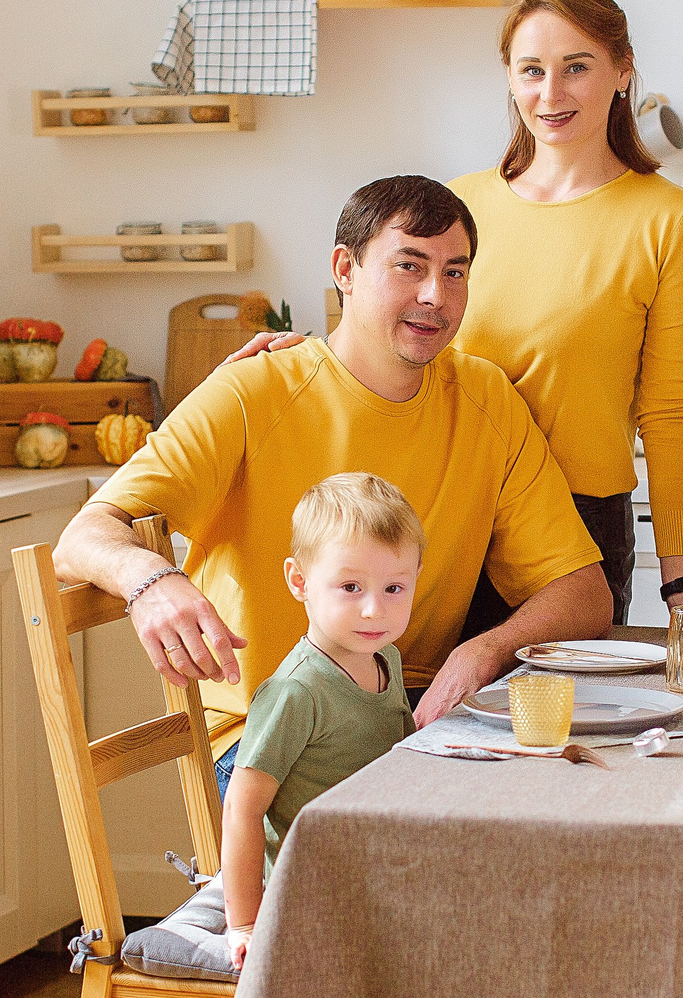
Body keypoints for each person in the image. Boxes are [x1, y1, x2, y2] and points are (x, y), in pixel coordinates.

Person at [222, 0, 683, 625]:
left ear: (623, 72)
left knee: (560, 724)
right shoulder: (462, 206)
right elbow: (401, 336)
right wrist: (309, 362)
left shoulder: (671, 220)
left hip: (573, 531)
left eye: (577, 67)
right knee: (416, 719)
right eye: (532, 71)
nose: (552, 93)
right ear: (510, 79)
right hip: (432, 515)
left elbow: (673, 409)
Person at [50, 172, 610, 734]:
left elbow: (584, 596)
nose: (435, 295)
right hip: (265, 734)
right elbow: (81, 538)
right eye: (409, 265)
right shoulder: (250, 391)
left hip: (407, 721)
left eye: (454, 272)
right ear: (346, 270)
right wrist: (150, 580)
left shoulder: (487, 400)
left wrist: (484, 652)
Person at [219, 472, 421, 972]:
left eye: (394, 587)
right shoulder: (296, 692)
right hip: (317, 886)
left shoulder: (386, 659)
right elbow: (242, 811)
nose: (375, 609)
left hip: (378, 861)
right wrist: (244, 923)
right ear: (299, 582)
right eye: (350, 586)